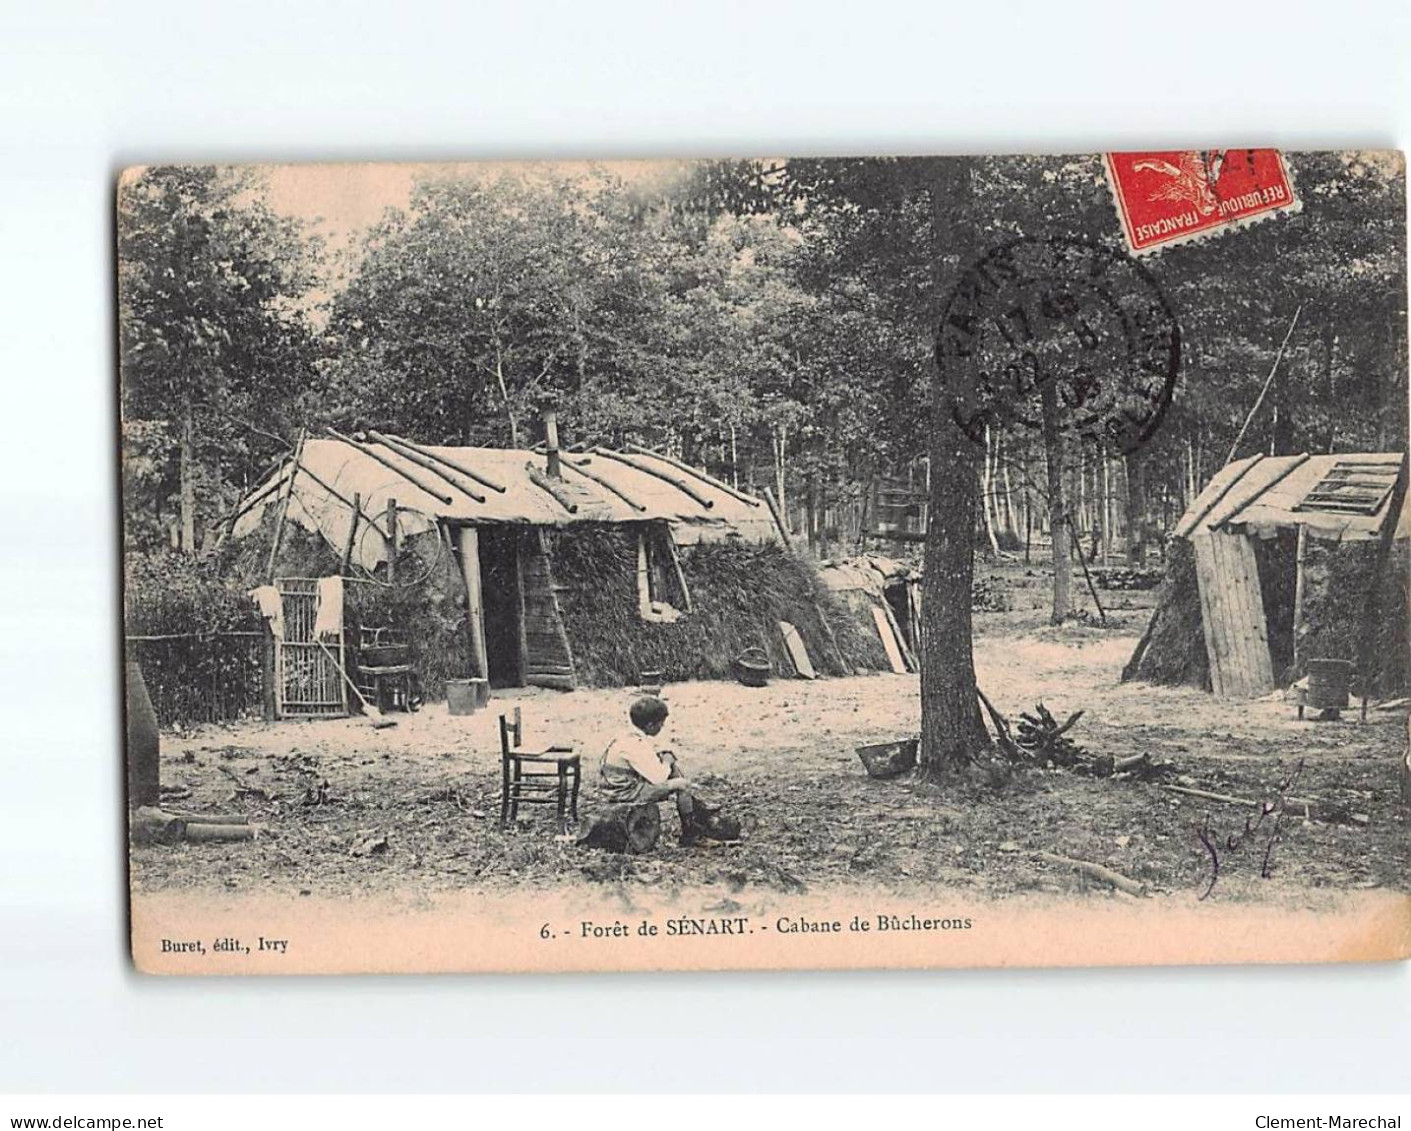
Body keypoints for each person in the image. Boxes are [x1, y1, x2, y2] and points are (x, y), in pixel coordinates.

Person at [600, 696, 718, 846]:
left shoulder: (626, 735)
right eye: (660, 725)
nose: (661, 728)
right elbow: (658, 778)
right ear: (650, 725)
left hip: (617, 785)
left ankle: (695, 807)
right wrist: (667, 761)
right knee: (682, 784)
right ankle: (691, 832)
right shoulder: (635, 743)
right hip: (623, 792)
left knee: (671, 767)